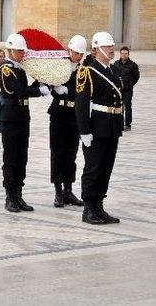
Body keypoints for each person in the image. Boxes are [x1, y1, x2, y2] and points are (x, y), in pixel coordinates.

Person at [0, 33, 50, 212]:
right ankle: (10, 196)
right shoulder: (5, 69)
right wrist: (39, 92)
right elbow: (18, 91)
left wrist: (42, 82)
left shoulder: (19, 69)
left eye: (23, 51)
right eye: (19, 51)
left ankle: (19, 194)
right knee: (11, 157)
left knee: (22, 157)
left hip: (22, 116)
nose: (22, 54)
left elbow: (27, 89)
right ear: (10, 50)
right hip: (11, 117)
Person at [75, 31, 124, 224]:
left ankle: (99, 206)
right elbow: (81, 104)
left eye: (112, 46)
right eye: (107, 47)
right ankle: (89, 209)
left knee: (106, 168)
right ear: (96, 49)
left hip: (112, 127)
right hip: (96, 128)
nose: (111, 50)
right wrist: (84, 131)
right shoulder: (87, 71)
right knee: (93, 168)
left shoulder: (112, 70)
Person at [47, 35, 87, 208]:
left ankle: (68, 191)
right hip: (59, 114)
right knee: (58, 153)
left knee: (71, 155)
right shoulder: (59, 66)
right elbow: (44, 80)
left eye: (80, 54)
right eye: (76, 53)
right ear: (69, 50)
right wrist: (54, 86)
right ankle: (58, 192)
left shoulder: (82, 70)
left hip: (74, 115)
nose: (78, 56)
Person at [113, 46, 140, 131]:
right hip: (119, 90)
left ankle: (127, 124)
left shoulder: (133, 65)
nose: (124, 55)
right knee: (119, 107)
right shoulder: (116, 64)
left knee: (128, 106)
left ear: (128, 54)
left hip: (128, 89)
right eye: (122, 53)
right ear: (120, 54)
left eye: (126, 53)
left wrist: (131, 84)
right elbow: (113, 75)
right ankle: (119, 124)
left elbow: (136, 76)